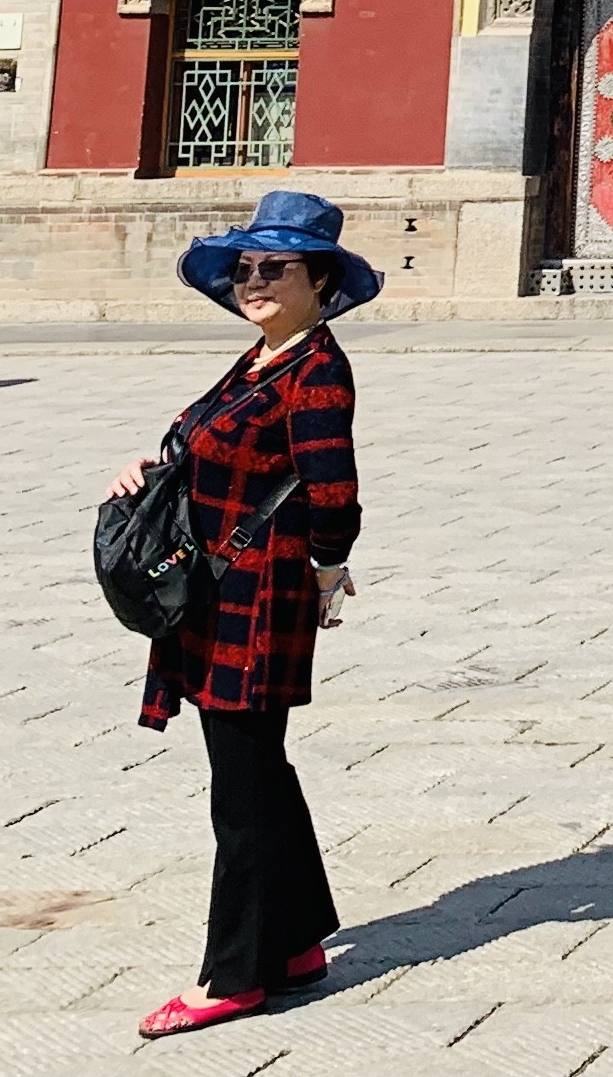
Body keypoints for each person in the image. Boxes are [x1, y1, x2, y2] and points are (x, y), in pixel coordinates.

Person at [116, 189, 372, 1038]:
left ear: (320, 279)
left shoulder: (316, 372)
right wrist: (150, 470)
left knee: (243, 787)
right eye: (247, 269)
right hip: (218, 592)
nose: (254, 282)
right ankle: (293, 944)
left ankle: (234, 973)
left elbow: (334, 493)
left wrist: (328, 573)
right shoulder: (263, 357)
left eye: (276, 269)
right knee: (259, 773)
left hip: (259, 597)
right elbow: (206, 445)